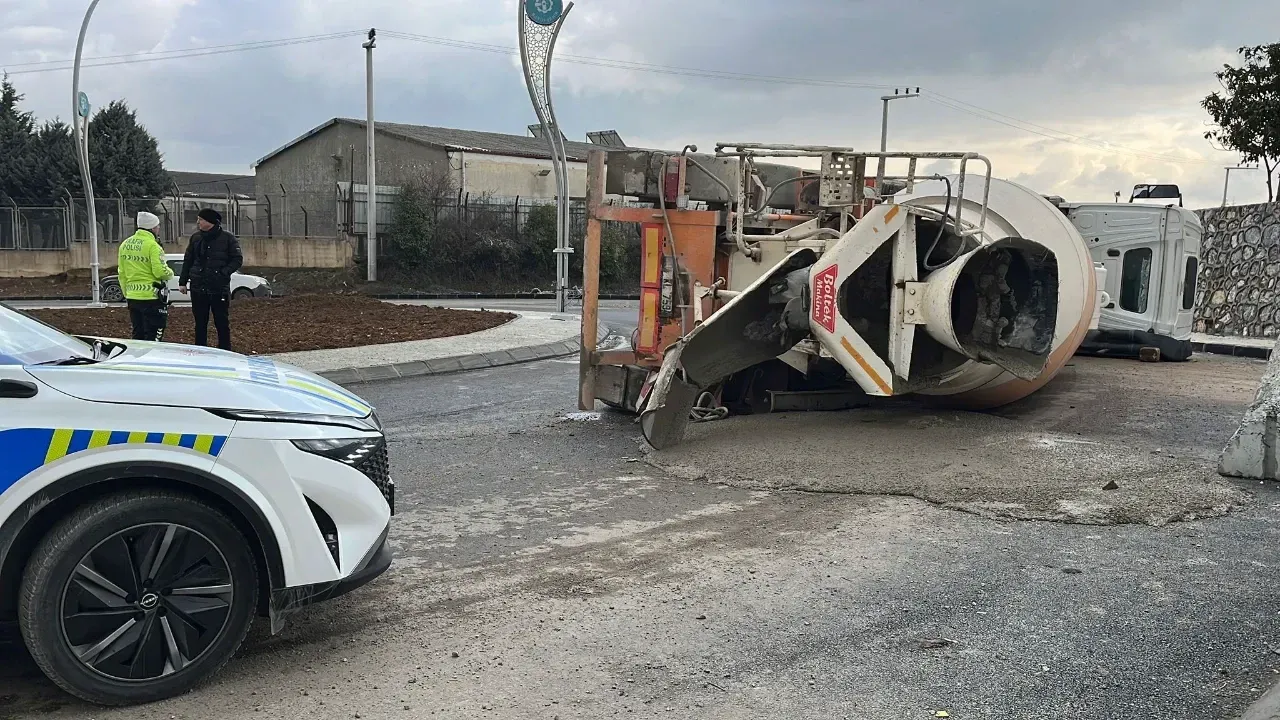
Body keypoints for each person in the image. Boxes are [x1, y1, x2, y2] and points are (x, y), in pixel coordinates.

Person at [178, 208, 242, 351]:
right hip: (198, 287)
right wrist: (183, 281)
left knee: (221, 322)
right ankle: (201, 349)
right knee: (200, 322)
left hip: (219, 288)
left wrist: (223, 273)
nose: (198, 222)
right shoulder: (196, 238)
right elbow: (188, 260)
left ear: (211, 222)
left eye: (201, 219)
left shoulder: (227, 238)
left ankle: (225, 349)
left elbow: (237, 259)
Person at [117, 211, 173, 341]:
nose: (159, 229)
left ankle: (138, 359)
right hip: (151, 297)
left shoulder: (125, 244)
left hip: (132, 297)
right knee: (153, 335)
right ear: (152, 228)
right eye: (158, 227)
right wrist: (170, 273)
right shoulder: (153, 246)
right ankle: (151, 359)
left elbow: (122, 273)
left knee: (138, 333)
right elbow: (159, 271)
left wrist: (127, 293)